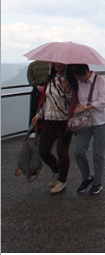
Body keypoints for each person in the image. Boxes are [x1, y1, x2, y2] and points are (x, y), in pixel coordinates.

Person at [31, 62, 77, 194]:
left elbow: (73, 101)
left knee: (62, 152)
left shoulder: (69, 81)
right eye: (55, 62)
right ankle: (56, 171)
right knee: (43, 151)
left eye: (60, 63)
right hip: (49, 120)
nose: (57, 64)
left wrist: (67, 91)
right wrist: (38, 115)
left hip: (63, 121)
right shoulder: (50, 79)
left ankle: (62, 180)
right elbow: (46, 99)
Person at [70, 64, 105, 196]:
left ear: (87, 73)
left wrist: (86, 107)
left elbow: (104, 101)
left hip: (100, 121)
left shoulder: (100, 81)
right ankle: (86, 177)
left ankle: (97, 182)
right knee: (78, 151)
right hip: (84, 122)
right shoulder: (78, 82)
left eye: (80, 76)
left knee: (98, 154)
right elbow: (75, 98)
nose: (79, 79)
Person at [27, 60, 50, 126]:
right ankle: (45, 128)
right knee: (47, 110)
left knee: (34, 111)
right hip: (48, 90)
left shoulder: (32, 65)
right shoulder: (50, 64)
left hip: (36, 91)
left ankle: (33, 129)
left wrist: (37, 86)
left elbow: (30, 79)